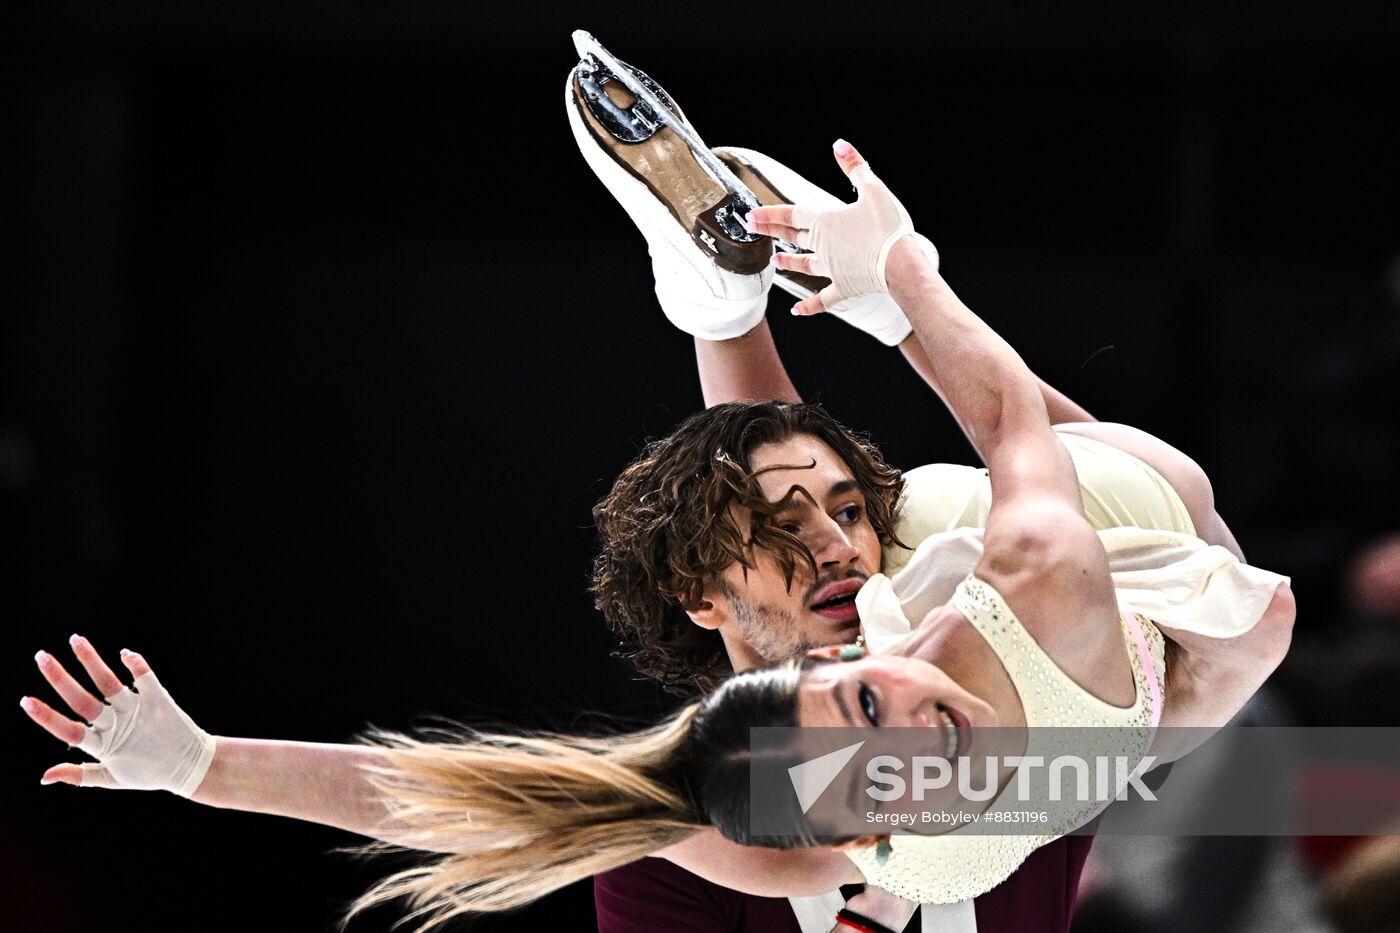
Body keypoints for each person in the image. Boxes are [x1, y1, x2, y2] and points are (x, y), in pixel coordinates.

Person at [20, 140, 1294, 931]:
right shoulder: (768, 822)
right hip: (1048, 714)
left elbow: (496, 799)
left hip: (1059, 638)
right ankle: (722, 295)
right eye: (800, 548)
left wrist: (204, 769)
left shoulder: (922, 618)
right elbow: (499, 806)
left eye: (847, 518)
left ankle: (714, 290)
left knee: (1031, 517)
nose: (838, 555)